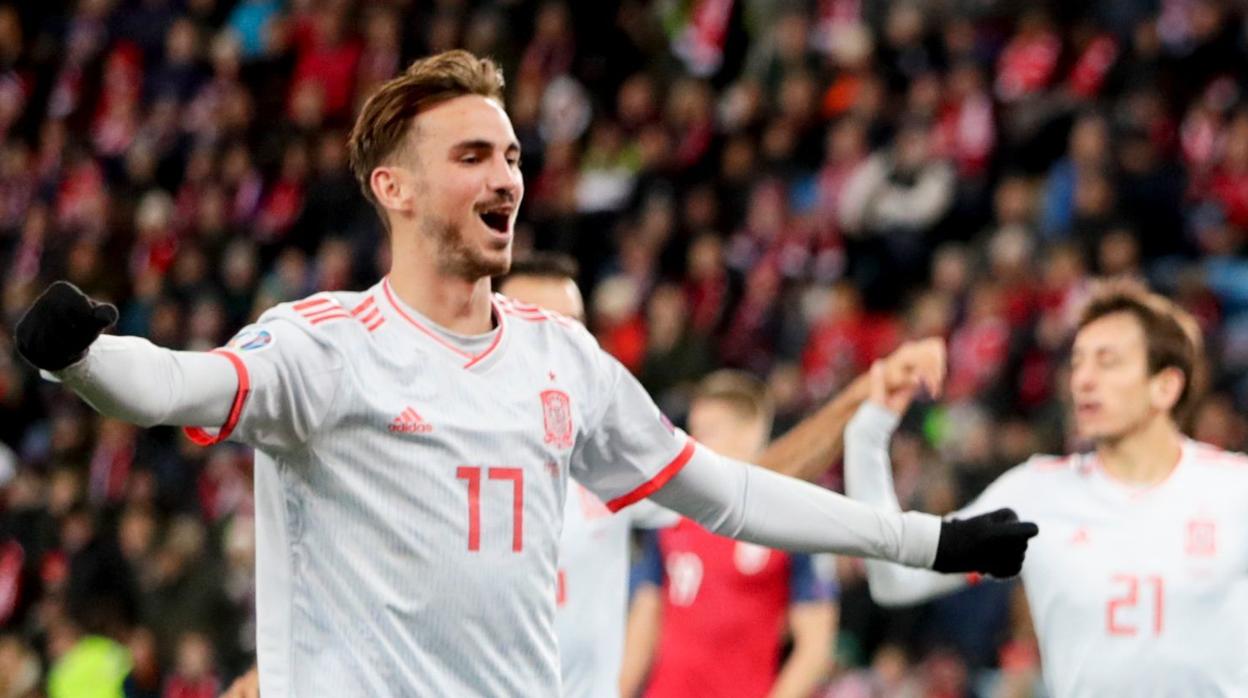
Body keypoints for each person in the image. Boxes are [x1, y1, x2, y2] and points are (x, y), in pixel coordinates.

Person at [12, 50, 1036, 696]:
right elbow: (174, 385)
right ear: (394, 188)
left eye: (509, 154)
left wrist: (931, 537)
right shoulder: (324, 345)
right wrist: (84, 357)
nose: (506, 175)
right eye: (471, 155)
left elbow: (723, 491)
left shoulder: (564, 361)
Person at [496, 252, 949, 698]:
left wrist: (864, 392)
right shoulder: (441, 455)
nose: (561, 347)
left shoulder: (604, 462)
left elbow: (751, 487)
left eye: (572, 329)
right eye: (536, 325)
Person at [843, 279, 1247, 696]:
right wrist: (866, 434)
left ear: (1166, 386)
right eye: (1077, 363)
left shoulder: (1235, 490)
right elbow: (895, 580)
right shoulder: (1035, 493)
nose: (1083, 380)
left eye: (1107, 362)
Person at [626, 370, 838, 698]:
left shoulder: (790, 520)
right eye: (693, 432)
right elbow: (645, 615)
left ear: (750, 434)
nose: (694, 444)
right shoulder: (670, 512)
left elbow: (815, 645)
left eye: (709, 432)